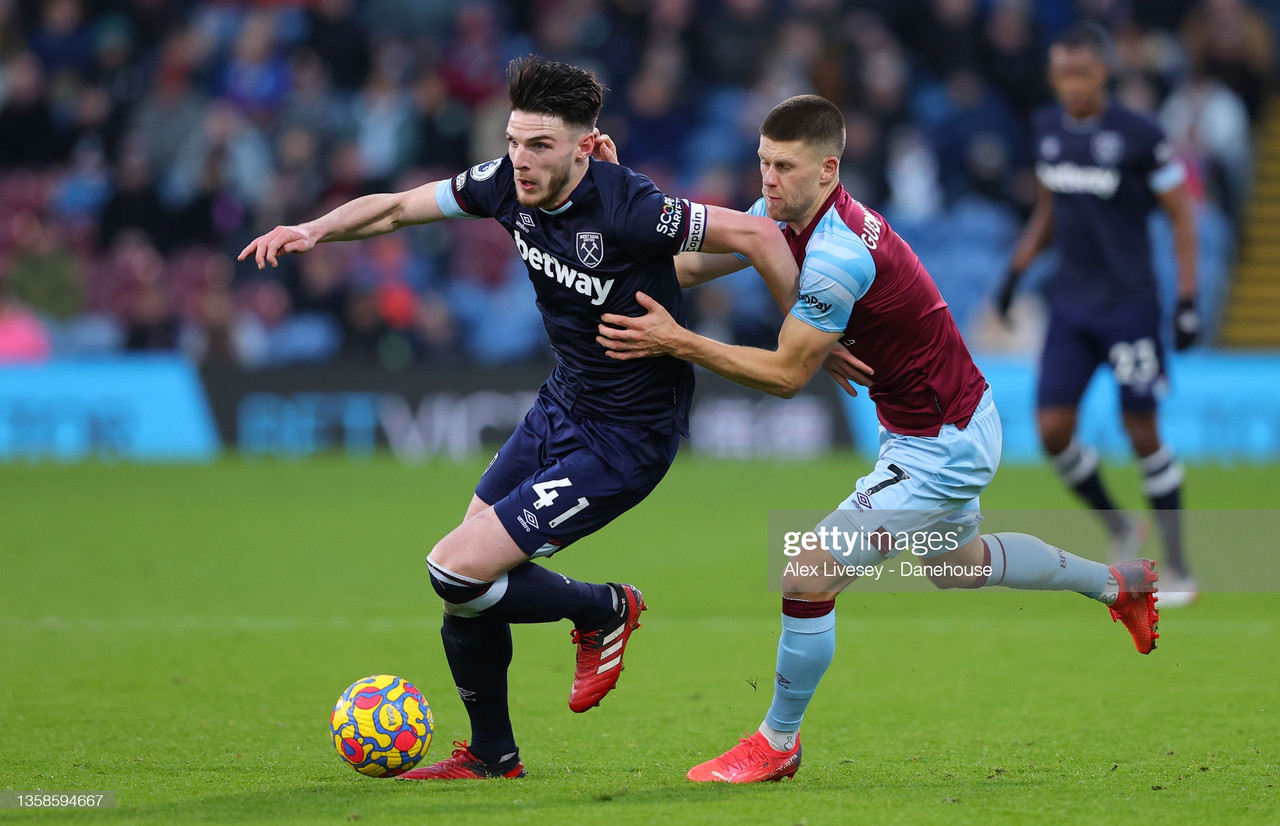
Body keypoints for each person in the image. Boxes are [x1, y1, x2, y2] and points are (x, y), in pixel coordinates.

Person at [239, 56, 798, 780]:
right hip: (561, 405)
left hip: (627, 439)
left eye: (538, 146)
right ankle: (492, 754)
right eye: (512, 141)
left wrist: (808, 340)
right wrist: (315, 229)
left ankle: (602, 609)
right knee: (470, 587)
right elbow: (397, 207)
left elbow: (759, 238)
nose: (520, 161)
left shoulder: (630, 205)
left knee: (453, 568)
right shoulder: (504, 185)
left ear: (582, 146)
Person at [597, 94, 1160, 784]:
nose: (769, 180)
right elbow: (681, 268)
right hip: (944, 420)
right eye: (764, 163)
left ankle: (777, 742)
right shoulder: (775, 216)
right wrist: (612, 201)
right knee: (961, 566)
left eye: (786, 167)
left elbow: (784, 376)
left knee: (808, 573)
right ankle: (1117, 584)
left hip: (941, 439)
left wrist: (678, 341)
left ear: (829, 169)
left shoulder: (839, 254)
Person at [996, 23, 1200, 606]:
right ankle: (1119, 528)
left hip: (1130, 306)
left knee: (1143, 435)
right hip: (1071, 306)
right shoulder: (1048, 130)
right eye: (1062, 73)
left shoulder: (1140, 136)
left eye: (1082, 72)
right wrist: (1015, 271)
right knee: (1053, 431)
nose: (1072, 84)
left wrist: (1187, 301)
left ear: (1104, 72)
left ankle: (1180, 567)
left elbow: (1182, 216)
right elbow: (1050, 210)